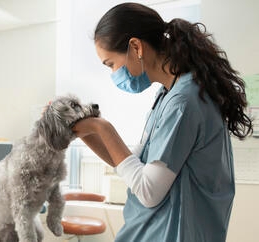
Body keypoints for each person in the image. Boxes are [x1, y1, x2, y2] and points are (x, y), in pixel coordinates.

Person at [71, 2, 253, 242]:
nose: (114, 74)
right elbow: (132, 163)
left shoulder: (184, 101)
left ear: (135, 46)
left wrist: (101, 128)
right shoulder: (167, 94)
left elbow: (149, 191)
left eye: (111, 64)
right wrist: (85, 130)